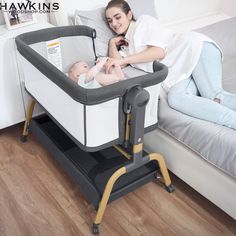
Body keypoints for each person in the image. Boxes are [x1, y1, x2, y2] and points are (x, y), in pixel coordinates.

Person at [104, 0, 236, 130]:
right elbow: (116, 66)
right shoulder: (125, 47)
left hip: (195, 48)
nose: (114, 24)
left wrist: (123, 60)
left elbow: (158, 52)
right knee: (176, 98)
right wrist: (111, 43)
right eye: (109, 21)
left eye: (117, 17)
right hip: (182, 67)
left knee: (214, 95)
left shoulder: (143, 22)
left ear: (129, 15)